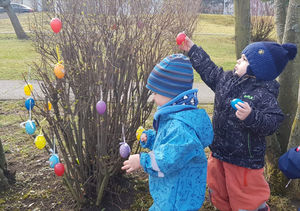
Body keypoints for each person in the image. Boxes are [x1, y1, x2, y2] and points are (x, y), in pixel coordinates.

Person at [178, 35, 297, 211]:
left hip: (244, 163)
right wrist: (193, 49)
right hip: (218, 153)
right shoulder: (226, 80)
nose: (238, 61)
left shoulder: (264, 94)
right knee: (218, 193)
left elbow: (273, 122)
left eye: (244, 59)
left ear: (258, 68)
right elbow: (209, 70)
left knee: (247, 201)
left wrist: (251, 116)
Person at [121, 54, 214, 211]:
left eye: (156, 93)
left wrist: (141, 161)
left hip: (177, 200)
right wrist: (151, 138)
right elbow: (169, 144)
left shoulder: (180, 127)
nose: (153, 97)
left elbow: (168, 159)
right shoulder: (176, 116)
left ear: (171, 93)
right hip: (170, 193)